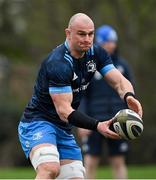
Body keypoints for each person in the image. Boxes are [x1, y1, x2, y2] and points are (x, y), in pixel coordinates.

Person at [18, 13, 143, 180]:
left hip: (63, 128)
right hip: (38, 122)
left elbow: (119, 82)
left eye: (91, 34)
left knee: (76, 177)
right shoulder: (58, 64)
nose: (87, 39)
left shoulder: (97, 54)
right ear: (68, 33)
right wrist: (98, 125)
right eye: (82, 34)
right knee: (50, 168)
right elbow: (64, 111)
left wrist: (129, 97)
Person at [78, 25, 133, 179]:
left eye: (112, 42)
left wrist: (131, 115)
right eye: (106, 42)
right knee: (90, 161)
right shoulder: (89, 66)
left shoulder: (123, 66)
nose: (110, 45)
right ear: (99, 44)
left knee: (118, 161)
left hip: (118, 120)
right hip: (93, 121)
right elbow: (82, 95)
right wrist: (82, 120)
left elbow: (129, 92)